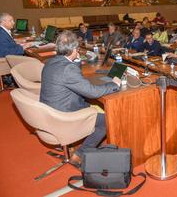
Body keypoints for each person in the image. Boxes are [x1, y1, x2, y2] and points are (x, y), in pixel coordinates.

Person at [40, 30, 121, 164]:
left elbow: (70, 73)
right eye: (77, 49)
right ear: (73, 50)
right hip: (63, 115)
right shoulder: (68, 69)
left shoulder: (51, 62)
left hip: (49, 111)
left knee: (92, 105)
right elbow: (92, 92)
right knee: (109, 120)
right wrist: (114, 84)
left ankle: (71, 145)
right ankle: (80, 154)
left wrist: (75, 60)